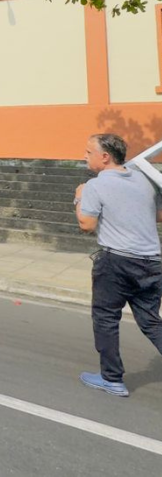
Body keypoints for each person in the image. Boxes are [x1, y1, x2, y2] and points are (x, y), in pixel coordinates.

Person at [75, 133, 162, 397]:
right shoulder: (143, 179)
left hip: (116, 263)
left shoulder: (95, 185)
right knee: (150, 321)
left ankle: (111, 379)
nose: (84, 156)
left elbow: (86, 225)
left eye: (88, 152)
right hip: (152, 262)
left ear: (104, 157)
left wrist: (79, 197)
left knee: (106, 318)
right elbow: (158, 215)